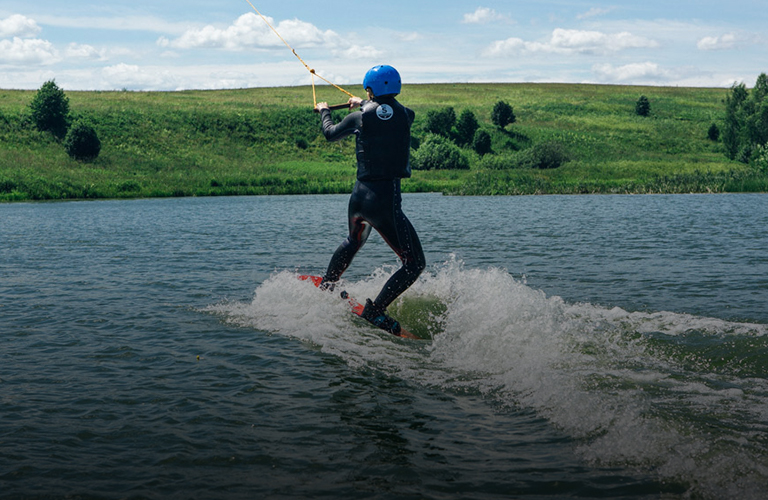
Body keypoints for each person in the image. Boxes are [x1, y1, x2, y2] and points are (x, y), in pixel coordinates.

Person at [314, 64, 425, 336]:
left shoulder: (357, 118)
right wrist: (365, 101)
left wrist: (325, 111)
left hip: (359, 199)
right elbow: (386, 113)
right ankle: (376, 309)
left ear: (370, 88)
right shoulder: (407, 115)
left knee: (354, 240)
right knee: (414, 264)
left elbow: (330, 133)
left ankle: (327, 284)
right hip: (385, 203)